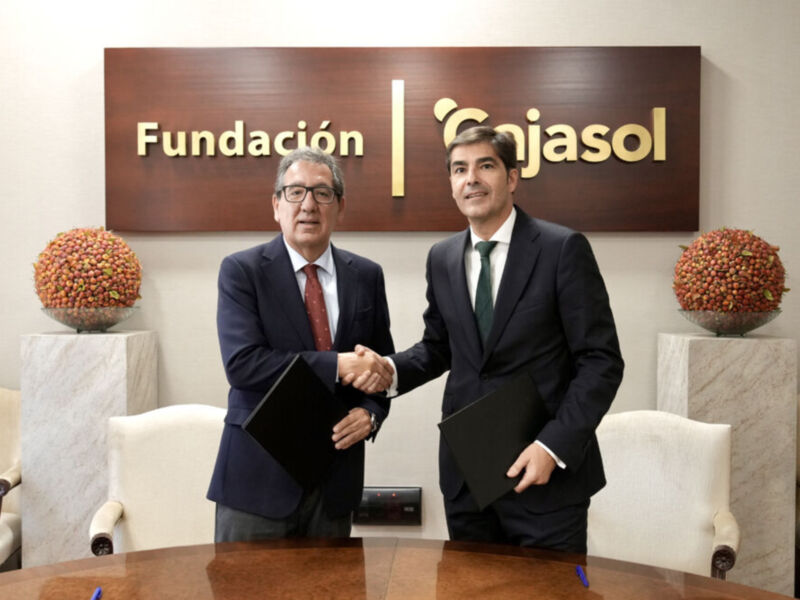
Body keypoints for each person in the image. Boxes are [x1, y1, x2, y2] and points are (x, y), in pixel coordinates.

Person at [350, 126, 623, 552]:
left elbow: (601, 361)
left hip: (544, 476)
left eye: (485, 166)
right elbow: (438, 347)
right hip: (468, 477)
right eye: (460, 169)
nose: (471, 179)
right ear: (451, 184)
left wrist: (552, 446)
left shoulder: (562, 249)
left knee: (551, 588)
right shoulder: (442, 257)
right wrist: (388, 370)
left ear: (512, 178)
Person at [207, 146, 395, 541]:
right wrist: (338, 365)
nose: (308, 205)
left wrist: (371, 414)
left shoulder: (366, 276)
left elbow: (381, 370)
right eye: (295, 192)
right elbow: (243, 365)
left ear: (340, 206)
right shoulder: (242, 271)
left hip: (335, 483)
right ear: (276, 205)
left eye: (322, 193)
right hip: (257, 481)